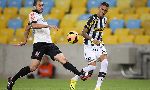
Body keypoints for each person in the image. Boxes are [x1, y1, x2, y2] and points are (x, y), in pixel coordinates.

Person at [7, 0, 83, 90]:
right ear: (35, 6)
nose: (42, 7)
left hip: (49, 44)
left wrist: (24, 40)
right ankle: (12, 79)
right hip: (39, 45)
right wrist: (47, 26)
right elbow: (34, 26)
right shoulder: (32, 14)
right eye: (39, 5)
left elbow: (27, 28)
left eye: (42, 5)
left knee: (63, 59)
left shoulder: (40, 16)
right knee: (33, 67)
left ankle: (80, 74)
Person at [70, 2, 109, 90]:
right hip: (89, 45)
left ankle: (97, 87)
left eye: (105, 10)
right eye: (102, 9)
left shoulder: (105, 20)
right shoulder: (92, 18)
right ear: (99, 8)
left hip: (99, 44)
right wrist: (92, 39)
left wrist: (98, 43)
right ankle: (74, 78)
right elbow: (84, 32)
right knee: (92, 66)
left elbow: (98, 32)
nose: (103, 11)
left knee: (105, 62)